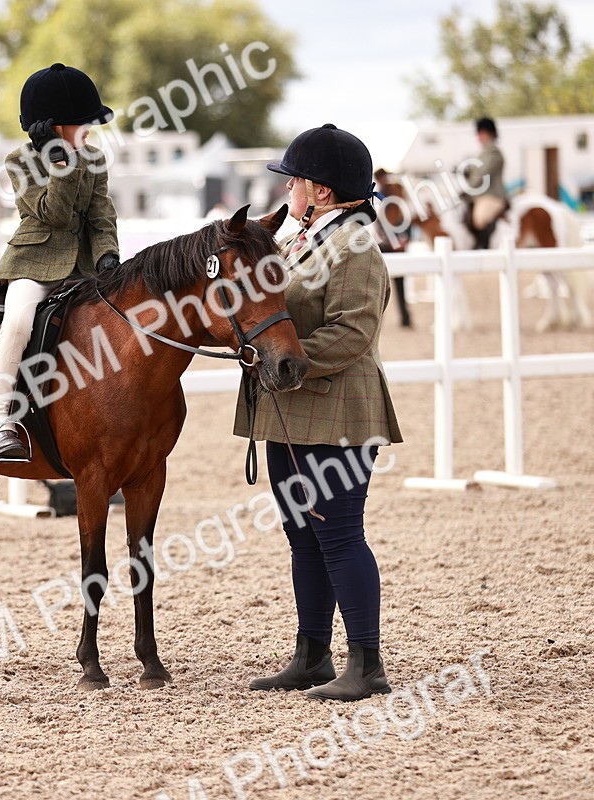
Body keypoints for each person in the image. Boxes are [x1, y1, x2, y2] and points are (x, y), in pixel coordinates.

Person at [237, 123, 403, 702]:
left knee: (339, 534)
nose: (287, 192)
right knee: (302, 536)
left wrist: (287, 364)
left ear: (322, 191)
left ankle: (367, 662)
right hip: (291, 411)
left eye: (295, 182)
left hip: (338, 413)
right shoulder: (301, 240)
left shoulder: (355, 246)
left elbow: (352, 333)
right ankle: (311, 655)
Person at [0, 63, 121, 462]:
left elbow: (101, 215)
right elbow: (54, 214)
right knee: (17, 324)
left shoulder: (94, 158)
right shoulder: (19, 161)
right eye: (82, 125)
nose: (90, 132)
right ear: (53, 126)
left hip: (85, 264)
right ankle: (1, 424)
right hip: (34, 262)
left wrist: (108, 255)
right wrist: (60, 164)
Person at [373, 168, 412, 328]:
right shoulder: (391, 197)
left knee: (382, 286)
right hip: (394, 244)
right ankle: (404, 318)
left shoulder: (388, 195)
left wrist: (395, 241)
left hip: (392, 245)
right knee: (396, 285)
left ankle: (398, 318)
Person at [464, 116, 507, 250]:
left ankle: (484, 247)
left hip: (492, 196)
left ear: (489, 133)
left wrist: (468, 187)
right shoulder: (483, 153)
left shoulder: (494, 153)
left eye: (481, 133)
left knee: (479, 218)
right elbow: (475, 170)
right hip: (480, 196)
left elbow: (483, 175)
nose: (479, 137)